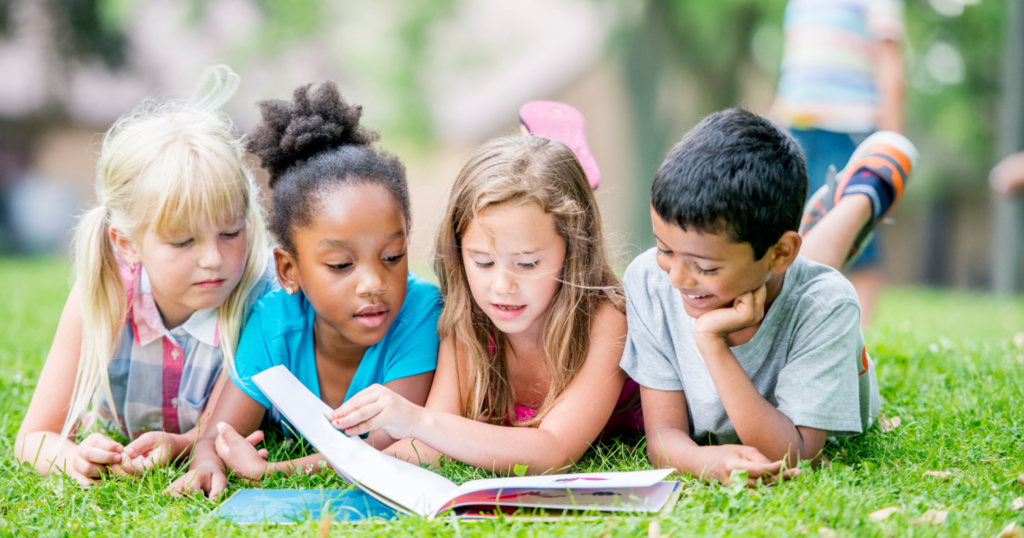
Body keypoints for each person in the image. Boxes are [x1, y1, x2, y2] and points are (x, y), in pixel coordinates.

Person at [169, 81, 442, 499]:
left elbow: (382, 446)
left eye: (392, 257)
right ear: (289, 270)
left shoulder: (420, 313)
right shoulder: (273, 322)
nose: (373, 284)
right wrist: (207, 462)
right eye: (341, 265)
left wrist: (274, 472)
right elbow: (218, 434)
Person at [623, 109, 918, 487]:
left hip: (794, 276)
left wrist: (712, 343)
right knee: (799, 264)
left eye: (705, 267)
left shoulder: (826, 305)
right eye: (665, 249)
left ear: (780, 252)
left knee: (808, 278)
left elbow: (795, 454)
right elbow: (663, 434)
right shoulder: (650, 280)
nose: (677, 278)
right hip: (775, 260)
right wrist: (701, 461)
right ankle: (821, 218)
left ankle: (864, 194)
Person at [14, 66, 277, 486]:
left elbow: (216, 435)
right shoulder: (103, 294)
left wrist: (181, 444)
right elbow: (34, 437)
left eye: (230, 232)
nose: (213, 259)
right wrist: (74, 458)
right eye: (183, 242)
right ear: (127, 243)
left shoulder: (259, 299)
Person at [326, 134, 641, 475]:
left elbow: (554, 450)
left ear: (573, 250)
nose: (503, 287)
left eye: (527, 264)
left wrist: (417, 419)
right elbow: (432, 444)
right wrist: (299, 467)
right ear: (459, 252)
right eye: (483, 262)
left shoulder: (605, 319)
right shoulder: (470, 321)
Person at [770, 0, 908, 325]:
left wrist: (891, 140)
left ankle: (860, 333)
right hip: (797, 128)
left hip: (848, 127)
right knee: (797, 227)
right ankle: (802, 327)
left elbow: (889, 60)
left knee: (855, 228)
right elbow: (793, 68)